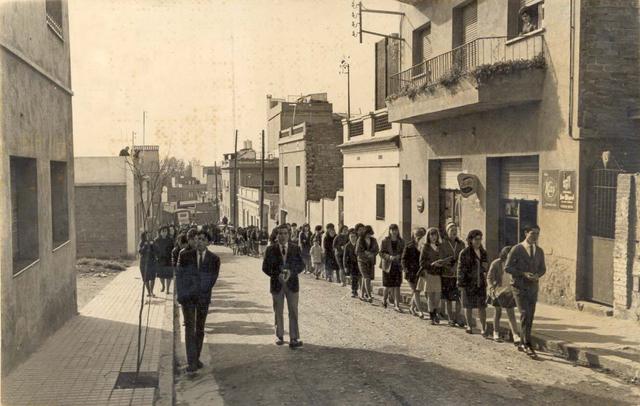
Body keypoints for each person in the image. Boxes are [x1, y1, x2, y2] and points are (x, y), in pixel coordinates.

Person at [175, 230, 221, 372]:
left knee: (199, 328)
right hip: (188, 298)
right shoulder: (185, 255)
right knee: (190, 328)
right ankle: (191, 362)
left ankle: (196, 358)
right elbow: (179, 276)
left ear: (208, 242)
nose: (198, 241)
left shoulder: (214, 259)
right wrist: (182, 295)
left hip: (202, 298)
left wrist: (199, 289)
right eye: (197, 239)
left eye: (202, 239)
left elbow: (211, 280)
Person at [505, 225, 546, 358]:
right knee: (524, 313)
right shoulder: (517, 249)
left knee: (530, 315)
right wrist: (523, 274)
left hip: (532, 287)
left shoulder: (539, 251)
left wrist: (537, 275)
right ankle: (526, 343)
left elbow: (543, 268)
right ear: (526, 233)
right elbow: (508, 267)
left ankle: (524, 341)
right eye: (532, 233)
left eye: (537, 234)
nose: (535, 236)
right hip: (519, 287)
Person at [262, 225, 305, 348]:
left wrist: (291, 272)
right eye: (280, 233)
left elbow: (301, 265)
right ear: (276, 235)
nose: (282, 236)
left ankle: (294, 338)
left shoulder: (295, 248)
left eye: (285, 233)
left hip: (292, 284)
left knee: (293, 311)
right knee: (278, 311)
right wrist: (277, 275)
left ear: (289, 235)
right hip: (277, 284)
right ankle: (279, 336)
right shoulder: (270, 249)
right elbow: (265, 267)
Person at [457, 229, 489, 336]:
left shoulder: (483, 252)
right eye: (476, 239)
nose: (478, 242)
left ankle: (483, 328)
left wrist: (485, 268)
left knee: (482, 306)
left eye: (480, 239)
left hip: (480, 283)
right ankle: (469, 325)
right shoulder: (465, 253)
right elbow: (460, 268)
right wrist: (460, 283)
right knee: (468, 305)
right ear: (470, 240)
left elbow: (485, 266)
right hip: (468, 283)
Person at [488, 246, 520, 344]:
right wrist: (491, 288)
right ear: (504, 254)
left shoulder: (514, 264)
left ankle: (515, 335)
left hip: (509, 290)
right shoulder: (496, 263)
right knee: (497, 312)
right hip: (498, 290)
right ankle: (496, 333)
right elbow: (489, 277)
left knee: (511, 313)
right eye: (508, 255)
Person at [440, 222, 465, 327]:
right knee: (449, 298)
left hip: (457, 274)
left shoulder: (461, 244)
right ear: (447, 232)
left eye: (455, 230)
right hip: (447, 274)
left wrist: (457, 266)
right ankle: (450, 318)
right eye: (452, 230)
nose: (454, 232)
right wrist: (448, 265)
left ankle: (458, 317)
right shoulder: (443, 244)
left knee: (458, 298)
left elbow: (463, 257)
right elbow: (440, 258)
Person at [419, 227, 445, 324]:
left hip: (438, 274)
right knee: (430, 296)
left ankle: (435, 313)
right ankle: (432, 316)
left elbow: (443, 258)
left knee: (437, 296)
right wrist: (432, 264)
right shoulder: (425, 247)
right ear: (428, 236)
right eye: (431, 235)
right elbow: (422, 262)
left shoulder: (440, 246)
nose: (433, 237)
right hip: (429, 274)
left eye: (435, 235)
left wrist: (442, 263)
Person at [380, 224, 405, 312]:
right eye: (392, 230)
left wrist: (399, 256)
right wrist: (389, 257)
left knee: (397, 285)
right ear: (389, 231)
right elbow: (381, 253)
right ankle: (384, 300)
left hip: (397, 265)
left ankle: (396, 305)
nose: (394, 232)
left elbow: (404, 253)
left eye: (396, 230)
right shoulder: (385, 241)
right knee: (387, 285)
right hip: (387, 266)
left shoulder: (401, 241)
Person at [402, 227, 426, 318]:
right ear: (414, 236)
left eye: (421, 236)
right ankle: (420, 311)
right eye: (417, 236)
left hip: (420, 272)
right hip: (410, 272)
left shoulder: (424, 246)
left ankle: (412, 308)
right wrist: (405, 269)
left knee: (417, 291)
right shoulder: (409, 246)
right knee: (415, 291)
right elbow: (403, 259)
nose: (419, 238)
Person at [356, 225, 379, 303]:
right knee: (367, 278)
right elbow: (357, 251)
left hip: (370, 262)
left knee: (365, 278)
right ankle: (369, 295)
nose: (368, 235)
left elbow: (377, 250)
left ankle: (361, 295)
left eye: (370, 233)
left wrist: (372, 254)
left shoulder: (374, 240)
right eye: (367, 233)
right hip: (362, 261)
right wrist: (365, 254)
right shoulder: (360, 240)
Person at [155, 226, 175, 294]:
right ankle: (163, 285)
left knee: (169, 275)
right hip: (160, 260)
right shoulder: (157, 240)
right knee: (161, 275)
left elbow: (173, 249)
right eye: (163, 231)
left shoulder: (170, 240)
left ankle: (168, 289)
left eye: (165, 231)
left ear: (167, 232)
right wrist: (156, 256)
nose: (164, 233)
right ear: (160, 232)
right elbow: (155, 250)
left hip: (168, 260)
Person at [139, 231, 158, 298]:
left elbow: (156, 251)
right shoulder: (142, 243)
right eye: (147, 235)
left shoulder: (153, 242)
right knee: (146, 278)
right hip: (144, 263)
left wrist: (153, 245)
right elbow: (140, 252)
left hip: (152, 263)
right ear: (144, 236)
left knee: (152, 277)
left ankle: (152, 291)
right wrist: (145, 246)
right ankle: (149, 292)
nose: (148, 237)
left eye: (149, 235)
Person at [343, 228, 360, 298]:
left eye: (354, 237)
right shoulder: (347, 246)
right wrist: (345, 266)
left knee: (357, 278)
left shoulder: (359, 245)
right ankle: (353, 291)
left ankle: (356, 290)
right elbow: (344, 257)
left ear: (357, 237)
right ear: (349, 237)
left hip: (358, 264)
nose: (353, 238)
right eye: (351, 237)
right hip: (351, 264)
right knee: (353, 277)